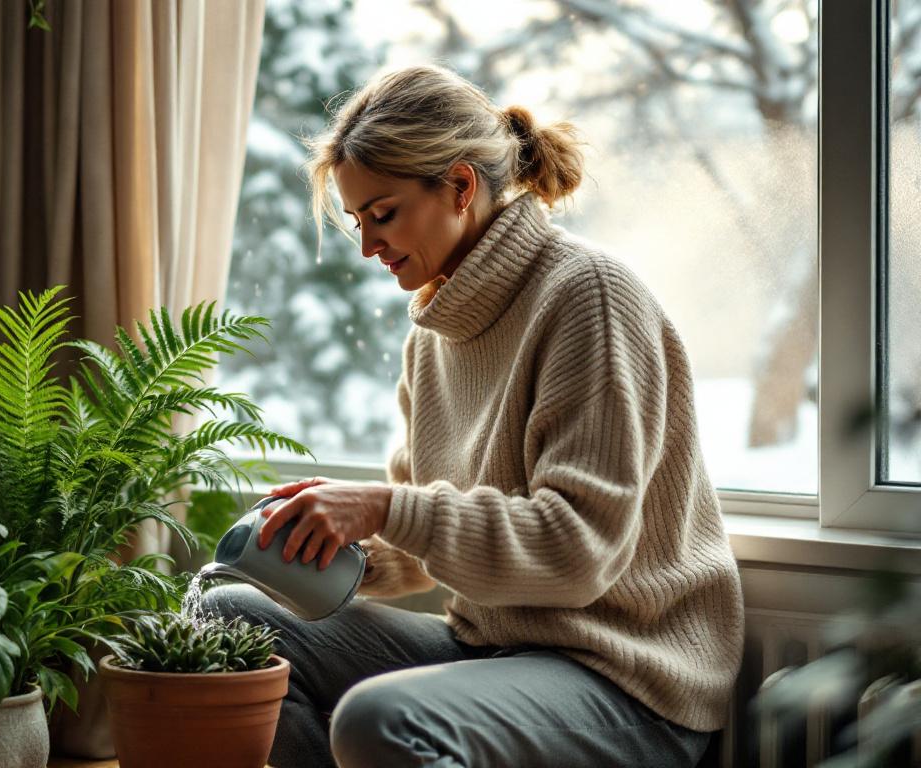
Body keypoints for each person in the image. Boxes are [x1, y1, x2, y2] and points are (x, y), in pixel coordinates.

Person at [201, 64, 744, 768]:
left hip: (628, 682)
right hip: (493, 652)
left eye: (384, 213)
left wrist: (385, 507)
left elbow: (578, 551)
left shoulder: (589, 297)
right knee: (226, 620)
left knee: (381, 720)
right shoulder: (434, 331)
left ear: (458, 186)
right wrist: (329, 547)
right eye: (356, 220)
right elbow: (420, 548)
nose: (367, 247)